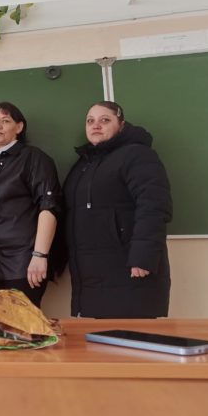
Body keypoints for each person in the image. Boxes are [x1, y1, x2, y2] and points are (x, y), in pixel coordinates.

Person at [63, 101, 172, 318]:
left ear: (121, 125)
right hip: (91, 275)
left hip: (129, 269)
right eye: (90, 121)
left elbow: (154, 205)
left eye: (105, 120)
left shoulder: (137, 155)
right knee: (99, 336)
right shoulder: (83, 164)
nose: (96, 125)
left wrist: (143, 256)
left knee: (131, 335)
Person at [0, 102, 64, 308]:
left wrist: (40, 255)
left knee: (24, 324)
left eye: (5, 121)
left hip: (25, 262)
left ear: (19, 127)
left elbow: (49, 207)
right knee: (0, 324)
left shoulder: (34, 158)